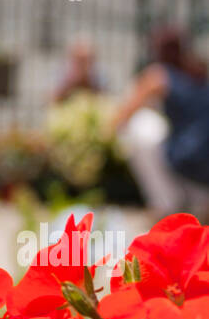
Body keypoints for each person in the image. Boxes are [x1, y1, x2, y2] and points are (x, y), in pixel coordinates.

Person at [114, 26, 209, 216]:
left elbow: (121, 117)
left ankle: (165, 204)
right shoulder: (200, 70)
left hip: (185, 159)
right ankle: (196, 200)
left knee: (140, 125)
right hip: (205, 162)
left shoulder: (159, 75)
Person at [53, 37, 105, 104]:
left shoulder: (100, 77)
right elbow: (52, 99)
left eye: (87, 60)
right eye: (80, 60)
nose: (83, 65)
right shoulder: (62, 74)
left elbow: (106, 100)